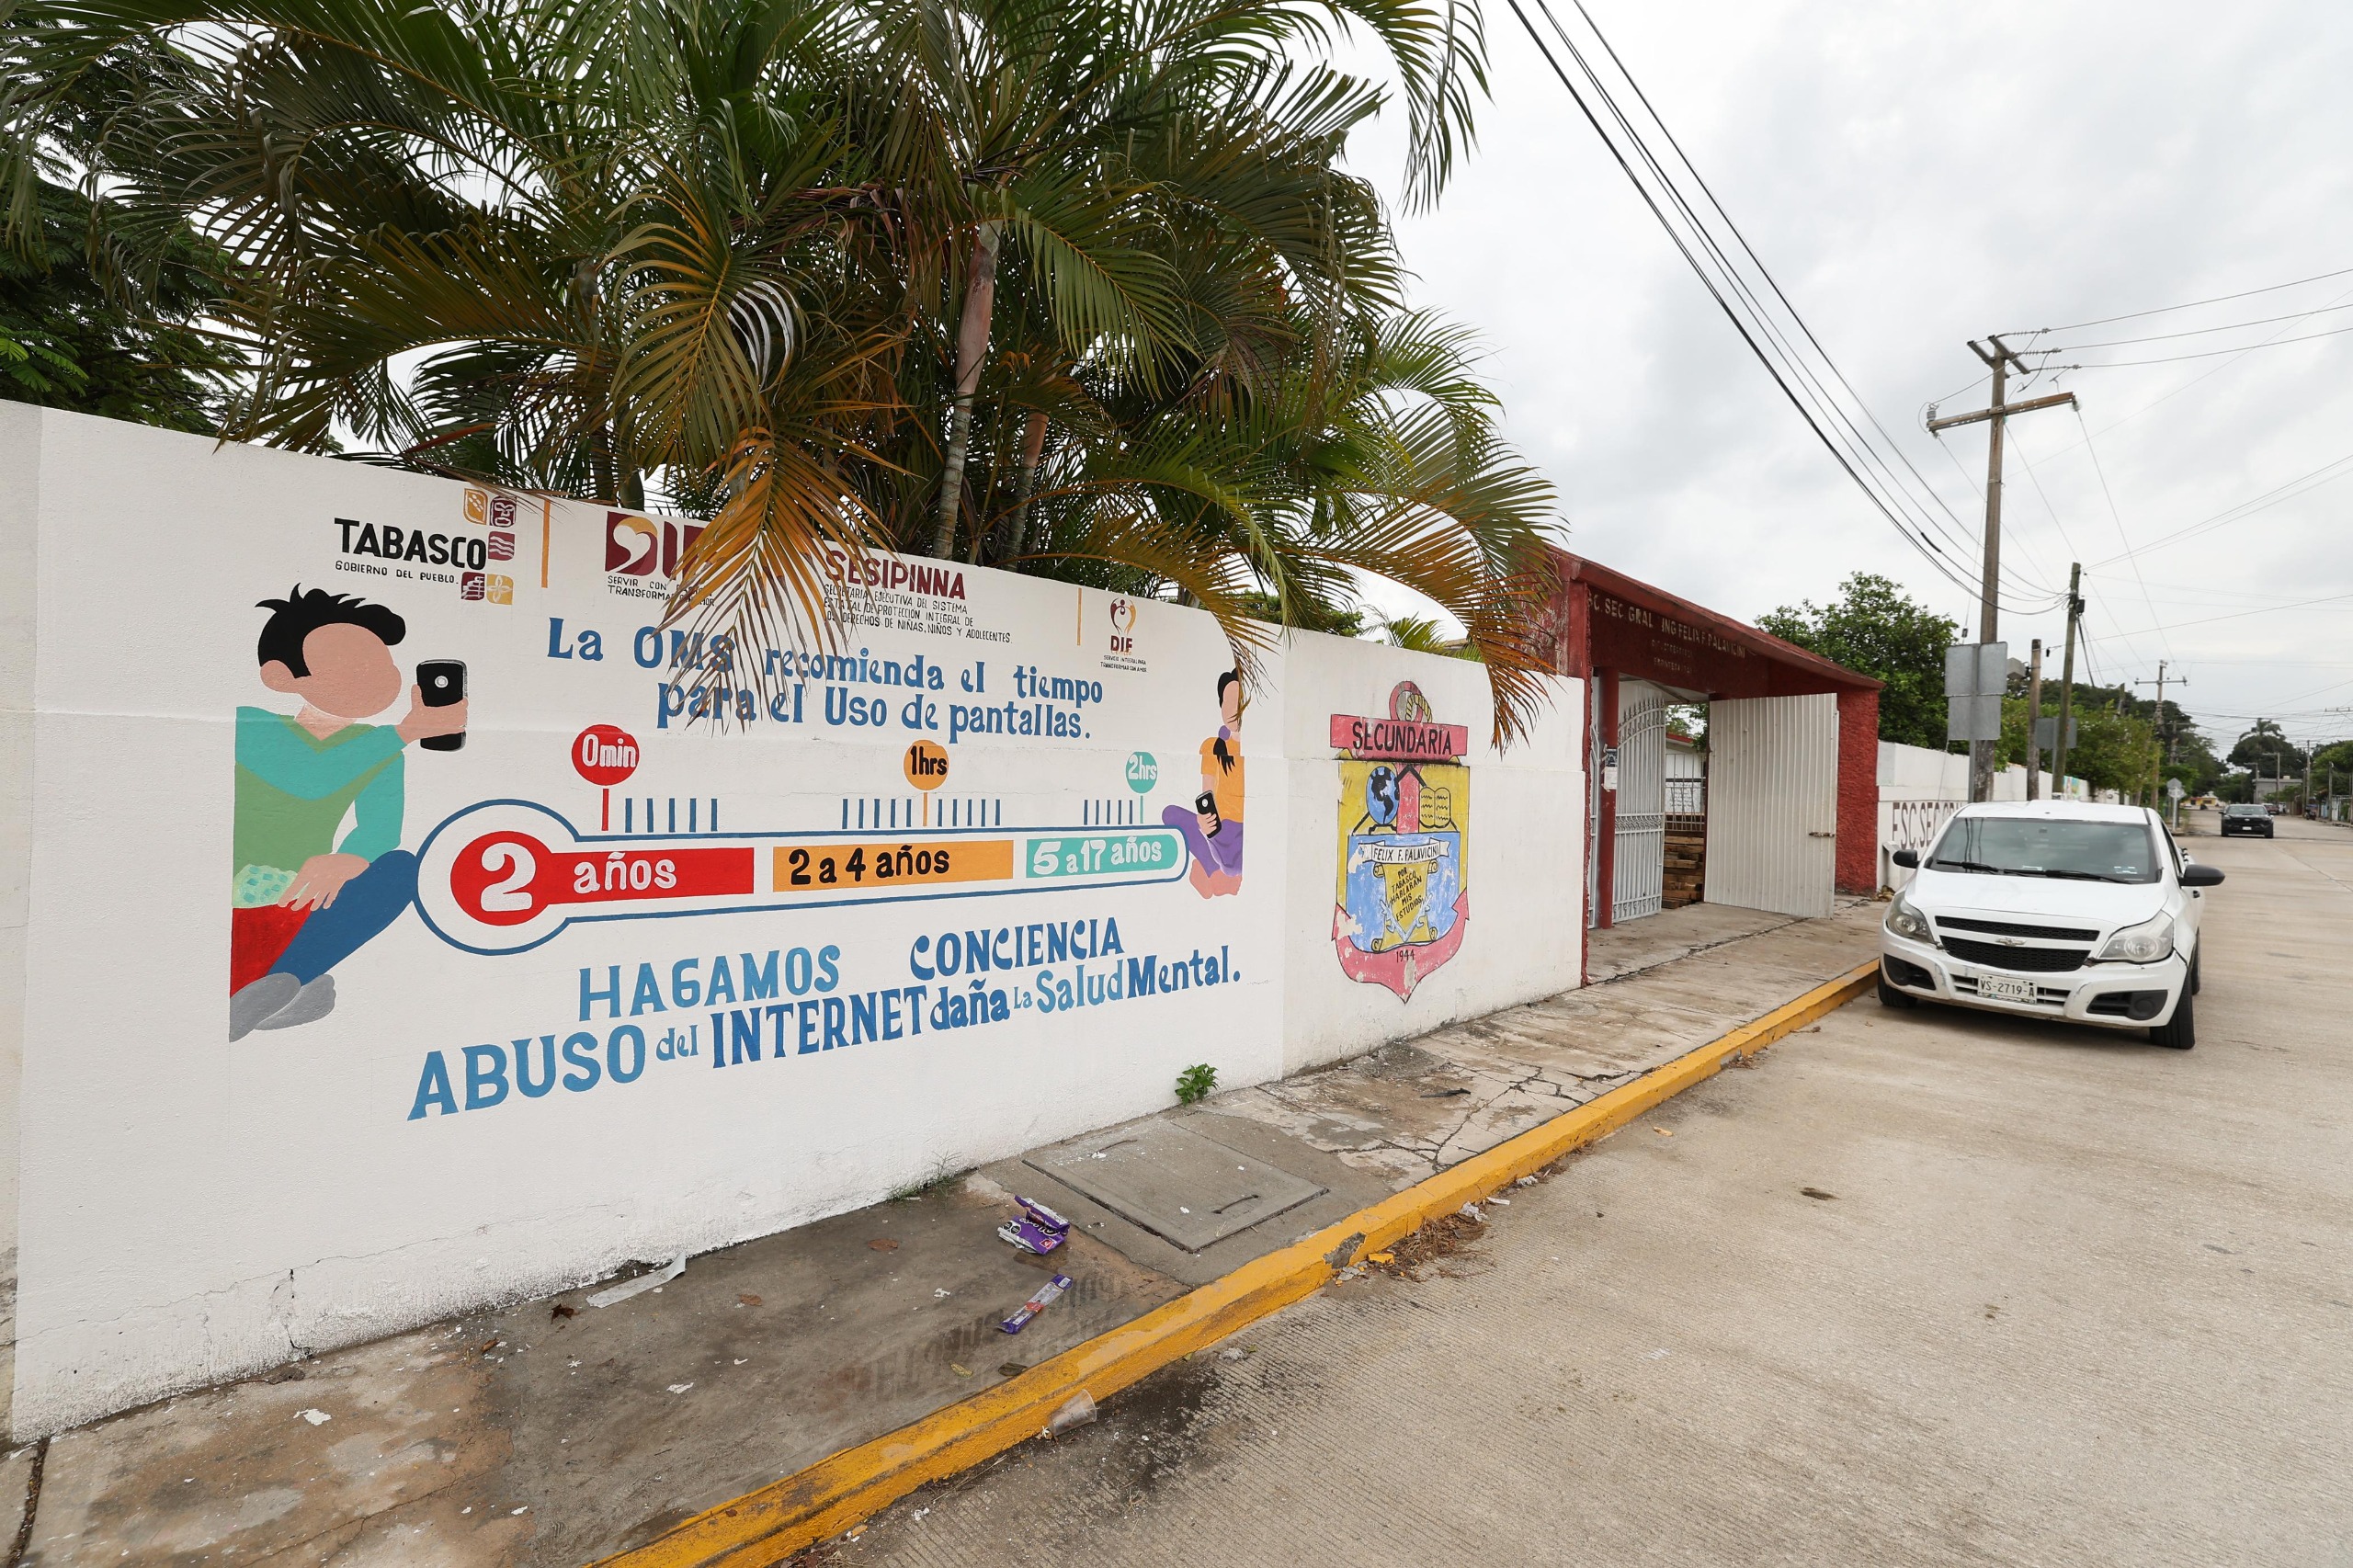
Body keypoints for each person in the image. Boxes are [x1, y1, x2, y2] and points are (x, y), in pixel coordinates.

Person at [230, 587, 467, 1040]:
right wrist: (403, 731)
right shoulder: (250, 724)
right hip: (234, 890)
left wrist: (351, 857)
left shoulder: (382, 749)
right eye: (352, 666)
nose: (375, 678)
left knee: (398, 869)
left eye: (383, 666)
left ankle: (280, 987)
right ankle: (264, 992)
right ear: (281, 677)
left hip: (306, 892)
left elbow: (381, 829)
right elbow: (307, 777)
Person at [1163, 669, 1245, 897]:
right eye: (1226, 701)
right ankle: (1212, 869)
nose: (1231, 709)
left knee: (1232, 866)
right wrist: (1203, 820)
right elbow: (1206, 793)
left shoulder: (1255, 751)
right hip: (1220, 829)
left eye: (1237, 701)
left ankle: (1211, 871)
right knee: (1170, 814)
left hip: (1245, 831)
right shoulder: (1212, 746)